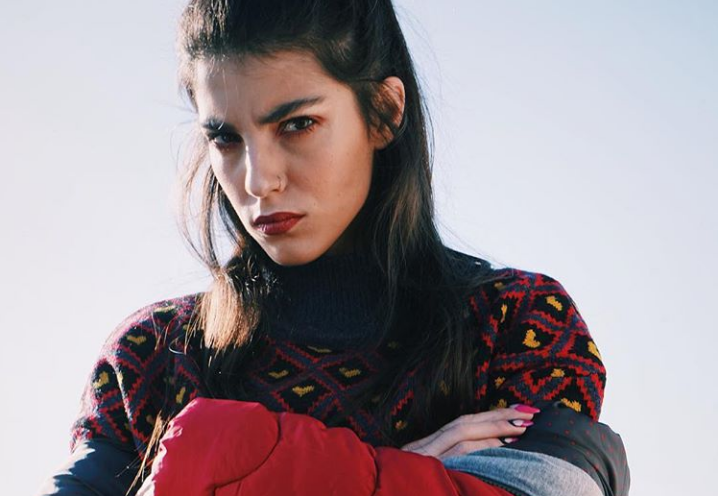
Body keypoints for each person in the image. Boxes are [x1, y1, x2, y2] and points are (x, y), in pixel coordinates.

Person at [38, 1, 629, 495]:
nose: (258, 180)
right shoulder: (150, 356)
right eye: (226, 138)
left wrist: (209, 463)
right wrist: (399, 473)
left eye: (296, 124)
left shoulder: (516, 322)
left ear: (384, 112)